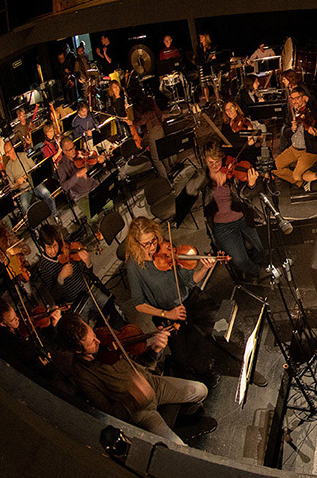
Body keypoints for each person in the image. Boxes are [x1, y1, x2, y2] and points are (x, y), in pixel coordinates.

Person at [122, 217, 267, 385]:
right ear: (136, 243)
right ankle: (207, 373)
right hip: (168, 314)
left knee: (222, 330)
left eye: (153, 240)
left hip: (191, 300)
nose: (152, 247)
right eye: (145, 244)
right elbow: (139, 304)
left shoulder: (167, 247)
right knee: (183, 357)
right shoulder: (134, 265)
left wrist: (205, 267)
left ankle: (248, 367)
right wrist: (166, 313)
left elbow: (190, 280)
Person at [58, 312, 214, 446]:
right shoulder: (82, 376)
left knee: (201, 390)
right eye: (92, 343)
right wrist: (134, 397)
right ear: (78, 350)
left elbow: (141, 363)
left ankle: (182, 417)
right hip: (140, 412)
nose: (98, 340)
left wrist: (155, 350)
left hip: (153, 384)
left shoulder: (103, 336)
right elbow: (110, 414)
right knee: (179, 449)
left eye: (93, 334)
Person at [194, 140, 268, 281]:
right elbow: (191, 189)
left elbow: (244, 196)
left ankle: (252, 267)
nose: (215, 166)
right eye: (211, 163)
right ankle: (255, 271)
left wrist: (251, 185)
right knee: (240, 260)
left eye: (218, 162)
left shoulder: (230, 172)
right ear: (205, 160)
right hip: (222, 226)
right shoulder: (202, 177)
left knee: (261, 249)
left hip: (242, 218)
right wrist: (209, 176)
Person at [273, 85, 317, 188]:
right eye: (292, 98)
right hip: (293, 149)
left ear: (304, 98)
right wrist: (292, 129)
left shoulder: (311, 112)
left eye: (297, 98)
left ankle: (299, 180)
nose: (294, 101)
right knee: (273, 167)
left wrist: (312, 131)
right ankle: (302, 183)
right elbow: (285, 133)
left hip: (307, 151)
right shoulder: (292, 113)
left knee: (297, 176)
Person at [3, 140, 58, 219]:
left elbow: (34, 168)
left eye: (8, 151)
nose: (7, 154)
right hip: (23, 189)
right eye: (6, 153)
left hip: (34, 183)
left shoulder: (24, 155)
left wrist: (28, 175)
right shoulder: (8, 167)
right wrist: (18, 183)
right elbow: (12, 186)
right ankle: (35, 228)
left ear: (13, 149)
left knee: (46, 193)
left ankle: (55, 215)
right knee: (25, 207)